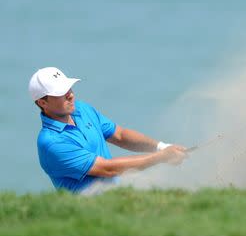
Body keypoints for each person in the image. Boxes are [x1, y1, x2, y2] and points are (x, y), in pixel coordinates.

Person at [29, 67, 187, 193]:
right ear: (43, 102)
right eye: (61, 93)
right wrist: (161, 157)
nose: (70, 95)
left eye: (69, 88)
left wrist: (162, 147)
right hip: (91, 213)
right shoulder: (51, 143)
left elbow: (119, 135)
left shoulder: (82, 109)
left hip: (117, 194)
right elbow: (108, 169)